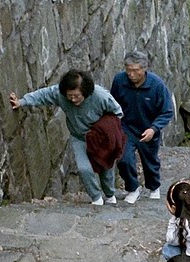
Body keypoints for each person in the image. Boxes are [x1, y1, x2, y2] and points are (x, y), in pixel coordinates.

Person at [10, 69, 123, 205]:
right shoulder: (60, 94)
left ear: (85, 91)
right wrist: (22, 101)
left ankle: (110, 195)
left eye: (77, 96)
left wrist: (105, 129)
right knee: (84, 169)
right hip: (79, 137)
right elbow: (43, 95)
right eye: (70, 96)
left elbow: (117, 112)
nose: (73, 99)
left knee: (106, 168)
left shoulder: (100, 96)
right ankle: (96, 198)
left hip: (101, 138)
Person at [110, 50, 175, 204]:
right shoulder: (119, 81)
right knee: (124, 159)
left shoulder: (157, 85)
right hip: (127, 128)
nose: (131, 74)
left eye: (135, 70)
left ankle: (153, 187)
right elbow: (112, 104)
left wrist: (154, 128)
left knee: (150, 161)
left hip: (149, 128)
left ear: (144, 69)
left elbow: (167, 111)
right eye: (128, 70)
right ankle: (133, 188)